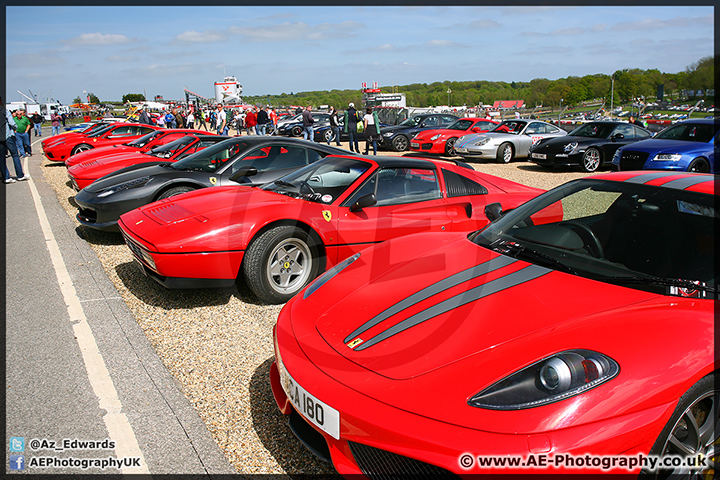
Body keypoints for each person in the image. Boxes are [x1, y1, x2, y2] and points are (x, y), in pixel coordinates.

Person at [2, 101, 29, 182]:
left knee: (1, 158)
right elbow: (12, 123)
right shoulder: (5, 111)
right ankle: (20, 175)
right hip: (8, 136)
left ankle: (6, 177)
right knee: (15, 155)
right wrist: (14, 128)